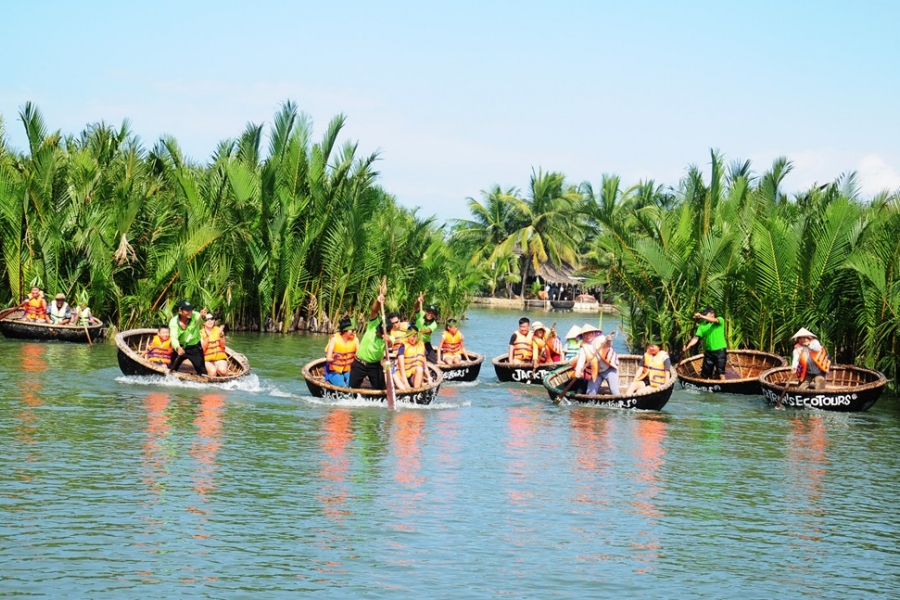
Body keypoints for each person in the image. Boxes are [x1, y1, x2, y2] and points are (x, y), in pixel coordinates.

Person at [349, 292, 391, 390]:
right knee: (352, 390)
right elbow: (374, 311)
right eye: (378, 330)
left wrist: (387, 340)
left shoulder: (390, 337)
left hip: (375, 366)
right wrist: (378, 301)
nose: (377, 333)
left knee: (380, 390)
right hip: (360, 363)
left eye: (380, 333)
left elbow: (390, 343)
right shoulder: (373, 325)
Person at [682, 306, 727, 380]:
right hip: (709, 352)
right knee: (705, 375)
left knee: (720, 373)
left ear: (712, 314)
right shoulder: (702, 325)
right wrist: (688, 347)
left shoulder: (719, 320)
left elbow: (715, 320)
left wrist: (701, 316)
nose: (704, 316)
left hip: (720, 351)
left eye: (706, 314)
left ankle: (725, 387)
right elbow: (696, 338)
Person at [167, 300, 208, 376]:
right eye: (187, 310)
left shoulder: (196, 315)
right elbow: (174, 338)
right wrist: (178, 348)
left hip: (194, 347)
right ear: (180, 311)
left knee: (202, 372)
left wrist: (203, 317)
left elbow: (203, 322)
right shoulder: (174, 322)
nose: (190, 312)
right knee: (171, 369)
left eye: (191, 309)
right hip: (180, 346)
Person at [324, 317, 358, 387]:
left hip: (349, 370)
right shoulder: (334, 339)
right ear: (345, 331)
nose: (354, 332)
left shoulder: (355, 340)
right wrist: (334, 359)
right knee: (342, 385)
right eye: (352, 330)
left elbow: (360, 356)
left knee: (351, 384)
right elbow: (328, 359)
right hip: (334, 371)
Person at [590, 326, 620, 395]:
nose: (588, 336)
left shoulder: (600, 338)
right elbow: (581, 360)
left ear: (594, 333)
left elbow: (607, 344)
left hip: (609, 368)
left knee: (614, 391)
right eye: (585, 334)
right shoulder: (584, 345)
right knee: (590, 394)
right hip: (596, 371)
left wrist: (608, 340)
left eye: (590, 333)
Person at [413, 296, 439, 362]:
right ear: (426, 311)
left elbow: (429, 331)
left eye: (432, 313)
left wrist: (422, 331)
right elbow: (416, 307)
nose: (430, 314)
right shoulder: (421, 314)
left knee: (434, 360)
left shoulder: (434, 323)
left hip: (425, 343)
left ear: (434, 316)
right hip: (414, 341)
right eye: (429, 312)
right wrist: (418, 301)